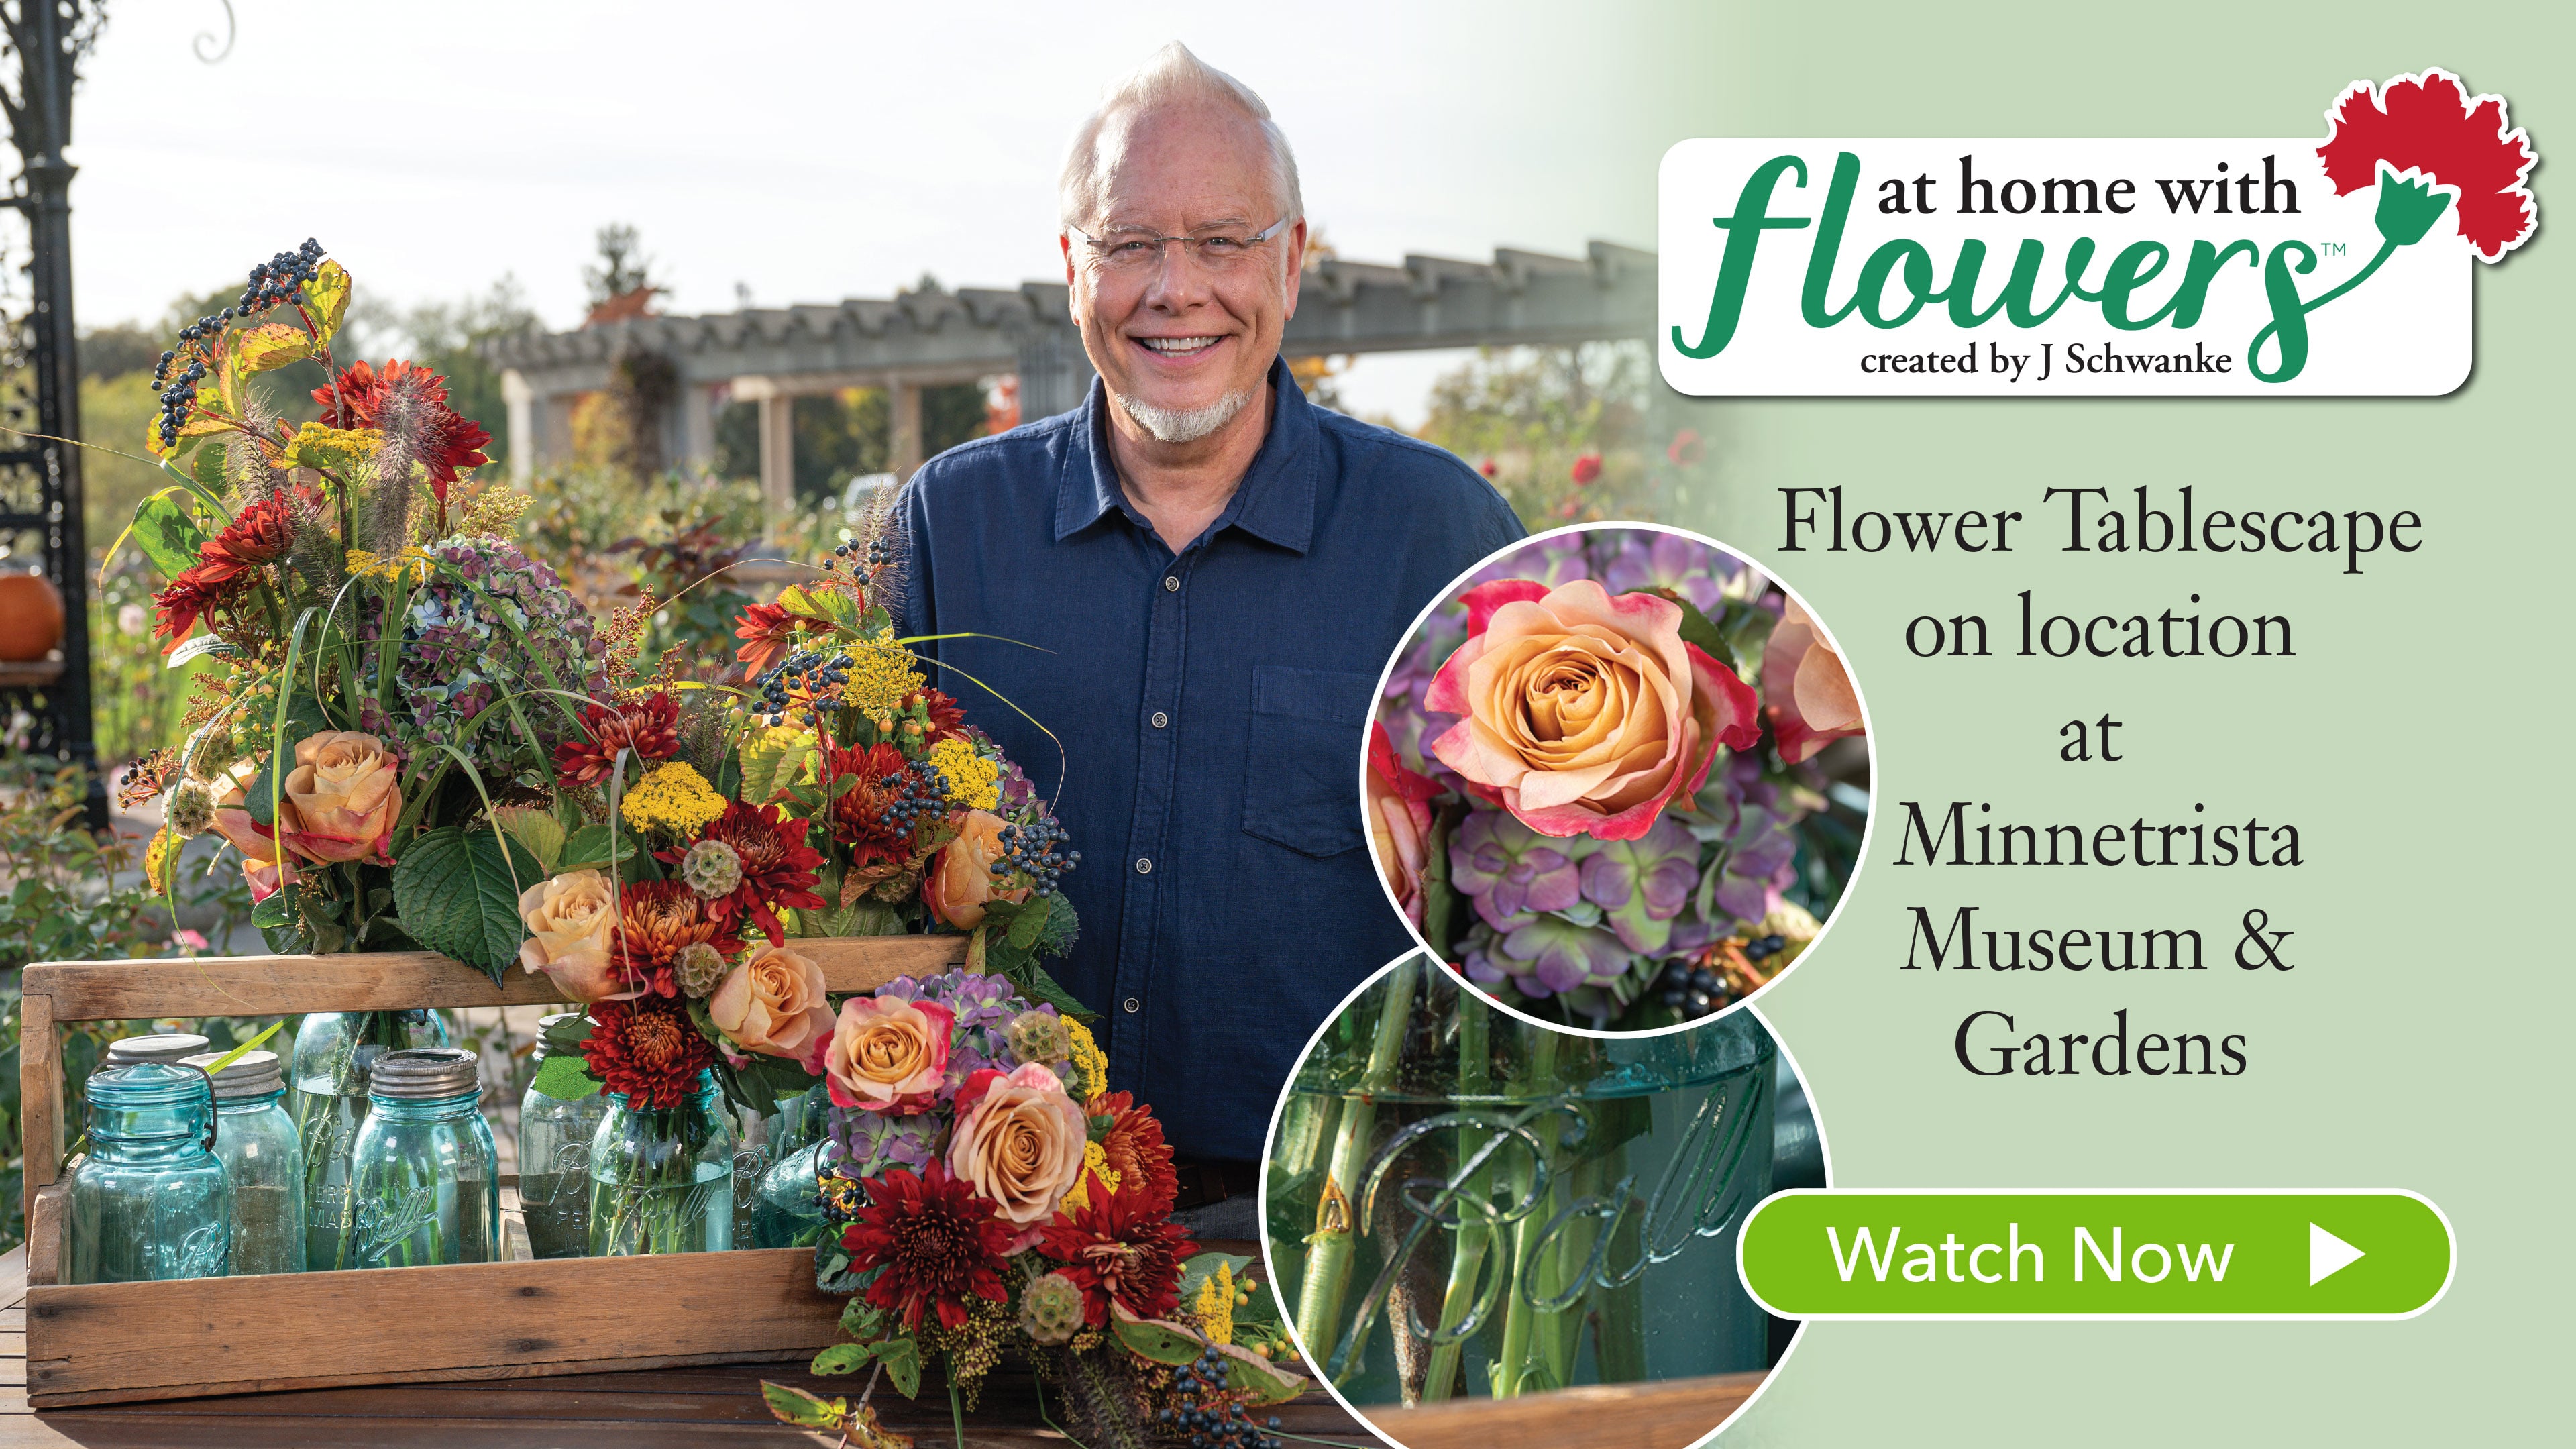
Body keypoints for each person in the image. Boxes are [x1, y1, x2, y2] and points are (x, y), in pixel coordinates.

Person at [894, 42, 1522, 1228]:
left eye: (1222, 241)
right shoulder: (948, 528)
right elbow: (851, 874)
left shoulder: (1438, 535)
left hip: (1342, 1241)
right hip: (994, 1233)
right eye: (1130, 243)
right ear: (1072, 266)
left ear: (1292, 260)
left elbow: (1530, 911)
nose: (1174, 288)